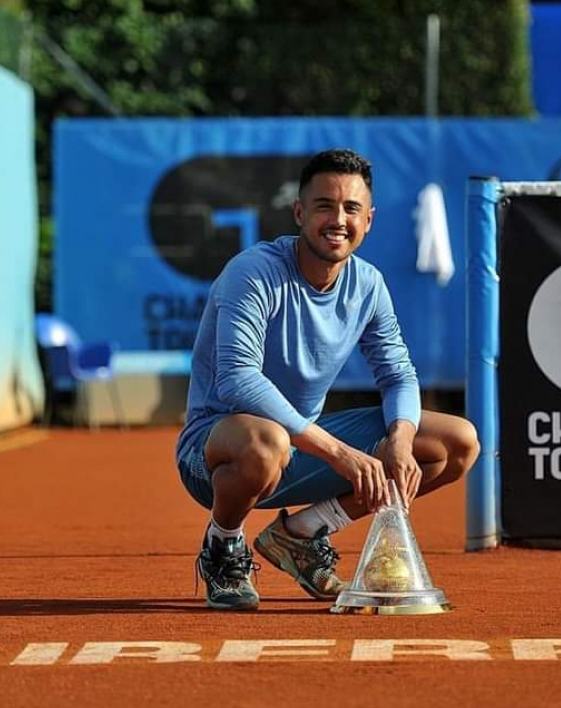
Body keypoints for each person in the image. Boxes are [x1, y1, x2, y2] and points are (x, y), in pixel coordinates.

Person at [175, 148, 480, 610]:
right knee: (266, 442)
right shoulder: (253, 273)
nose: (338, 219)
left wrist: (400, 438)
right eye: (324, 206)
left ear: (369, 220)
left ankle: (302, 533)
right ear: (299, 212)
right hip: (218, 452)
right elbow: (237, 379)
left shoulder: (369, 284)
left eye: (351, 208)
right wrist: (339, 453)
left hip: (300, 447)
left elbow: (398, 373)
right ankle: (224, 544)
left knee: (456, 443)